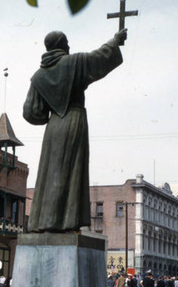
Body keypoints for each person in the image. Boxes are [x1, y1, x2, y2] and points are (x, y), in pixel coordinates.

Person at [23, 29, 128, 232]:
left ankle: (45, 223)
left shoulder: (38, 77)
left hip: (53, 127)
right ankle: (67, 224)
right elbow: (98, 59)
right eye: (67, 43)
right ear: (62, 45)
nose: (69, 46)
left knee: (51, 173)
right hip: (74, 120)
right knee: (72, 171)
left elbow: (31, 112)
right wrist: (115, 41)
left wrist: (47, 114)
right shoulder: (74, 63)